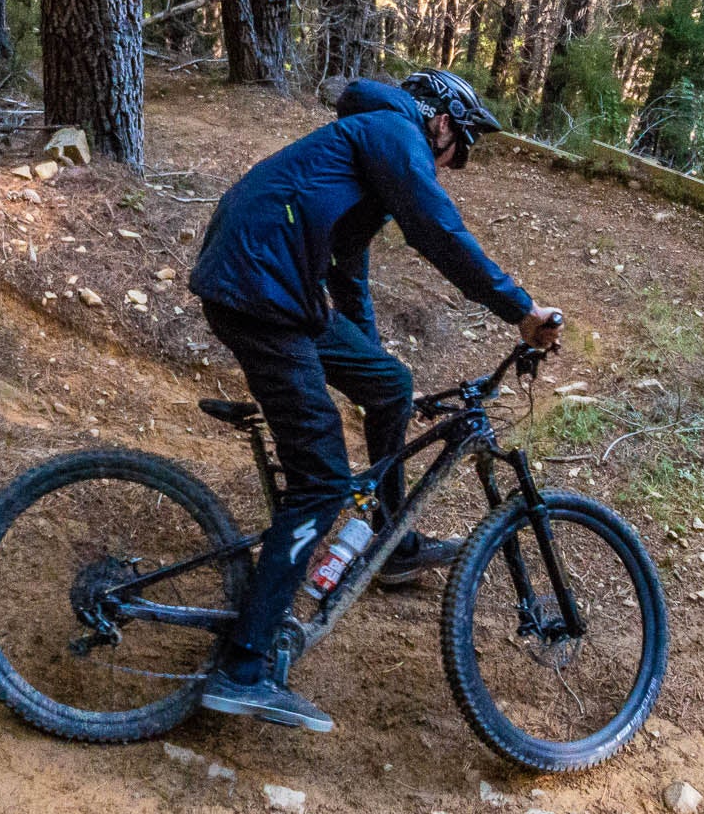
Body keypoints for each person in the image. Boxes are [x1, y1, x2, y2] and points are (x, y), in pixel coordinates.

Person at [187, 70, 561, 732]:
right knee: (322, 480)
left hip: (276, 286)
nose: (454, 165)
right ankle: (243, 669)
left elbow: (349, 277)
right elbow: (437, 231)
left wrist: (372, 361)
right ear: (440, 122)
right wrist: (520, 308)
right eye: (461, 149)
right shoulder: (394, 132)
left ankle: (393, 541)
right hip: (260, 291)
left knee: (390, 384)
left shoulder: (367, 147)